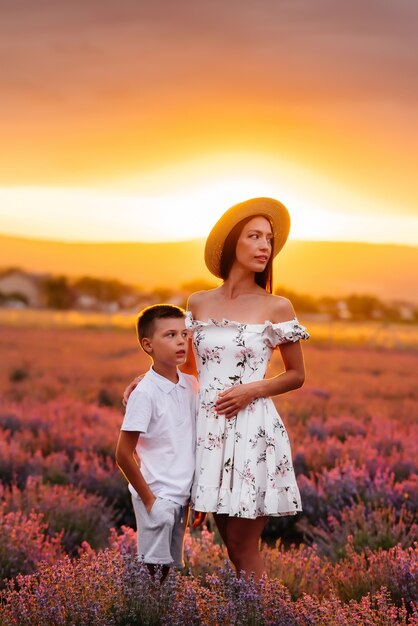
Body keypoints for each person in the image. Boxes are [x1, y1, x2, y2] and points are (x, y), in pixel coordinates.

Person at [124, 197, 309, 580]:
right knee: (231, 547)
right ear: (231, 244)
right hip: (208, 431)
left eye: (269, 240)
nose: (264, 247)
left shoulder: (278, 306)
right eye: (254, 236)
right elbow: (189, 368)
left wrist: (250, 390)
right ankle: (257, 613)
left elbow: (296, 375)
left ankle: (267, 616)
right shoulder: (199, 302)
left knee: (244, 547)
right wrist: (149, 378)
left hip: (251, 430)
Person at [115, 304, 203, 580]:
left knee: (172, 569)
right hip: (158, 493)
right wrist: (151, 502)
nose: (181, 341)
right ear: (148, 344)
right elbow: (123, 454)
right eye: (170, 335)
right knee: (154, 572)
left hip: (182, 495)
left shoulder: (191, 384)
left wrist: (195, 498)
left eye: (184, 334)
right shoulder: (145, 393)